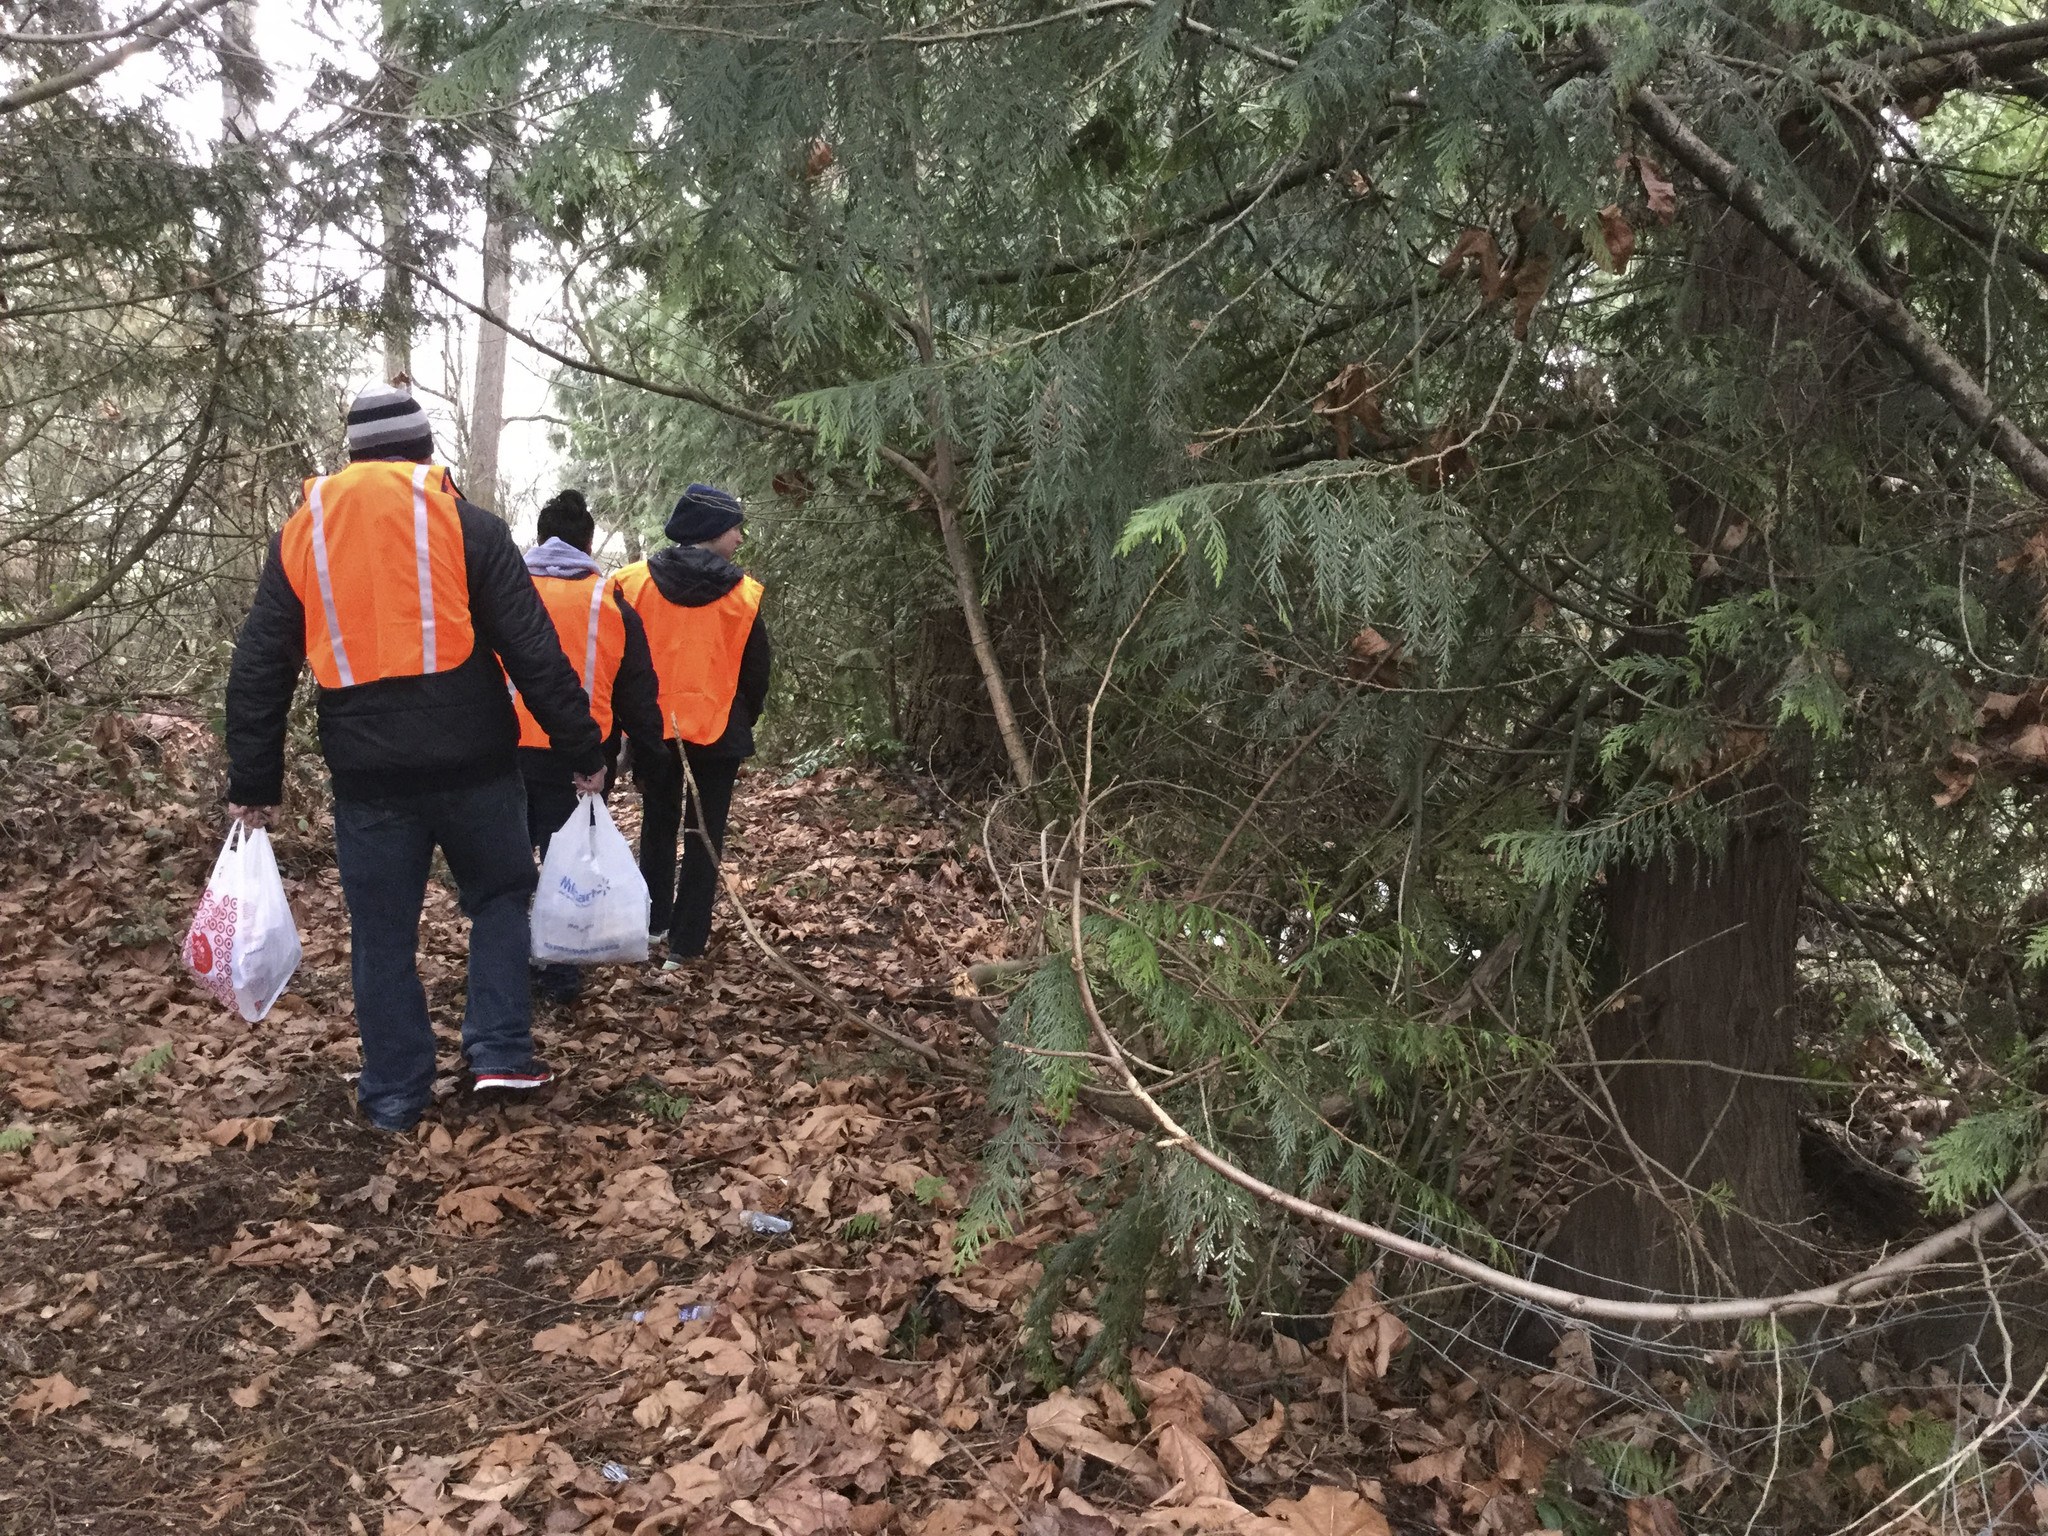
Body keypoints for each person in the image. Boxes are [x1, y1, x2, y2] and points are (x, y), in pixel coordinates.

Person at [223, 382, 606, 1131]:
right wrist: (582, 750)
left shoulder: (304, 536)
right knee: (499, 898)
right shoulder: (468, 527)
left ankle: (395, 1091)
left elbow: (260, 666)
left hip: (368, 781)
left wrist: (254, 781)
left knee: (382, 931)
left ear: (353, 455)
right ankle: (498, 1050)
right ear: (426, 451)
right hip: (478, 767)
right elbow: (535, 654)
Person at [513, 489, 672, 1003]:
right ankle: (560, 972)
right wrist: (651, 759)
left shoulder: (506, 592)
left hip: (503, 752)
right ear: (588, 542)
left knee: (511, 868)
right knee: (568, 867)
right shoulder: (611, 602)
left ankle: (510, 965)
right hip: (581, 761)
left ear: (540, 538)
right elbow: (638, 693)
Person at [616, 483, 771, 970]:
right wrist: (742, 716)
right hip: (720, 730)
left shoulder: (631, 582)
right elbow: (756, 671)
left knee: (657, 827)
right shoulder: (744, 595)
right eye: (734, 528)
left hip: (653, 730)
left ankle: (653, 923)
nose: (741, 539)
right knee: (705, 836)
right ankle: (686, 944)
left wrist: (627, 729)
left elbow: (616, 660)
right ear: (712, 531)